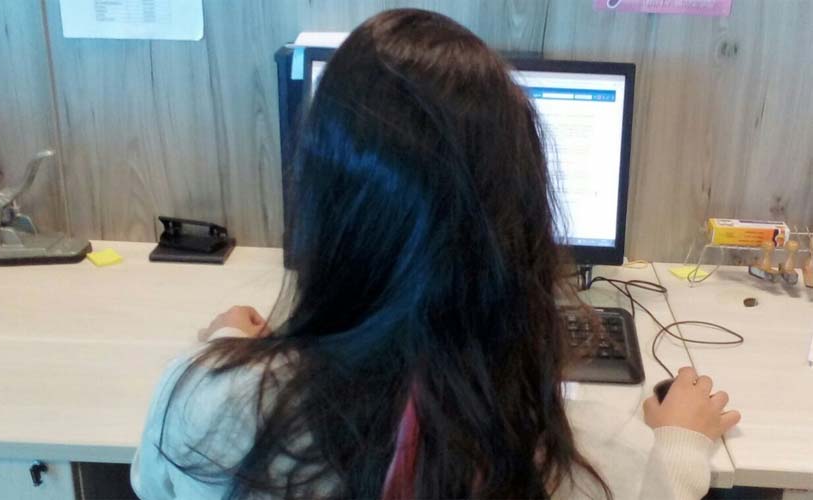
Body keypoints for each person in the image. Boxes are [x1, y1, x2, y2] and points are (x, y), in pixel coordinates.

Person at [132, 8, 740, 499]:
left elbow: (152, 481)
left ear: (326, 208)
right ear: (522, 229)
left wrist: (223, 352)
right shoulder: (580, 462)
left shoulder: (200, 403)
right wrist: (680, 444)